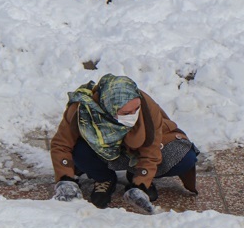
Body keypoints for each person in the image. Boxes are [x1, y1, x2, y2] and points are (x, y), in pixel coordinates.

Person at [50, 74, 199, 214]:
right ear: (109, 108)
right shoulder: (81, 110)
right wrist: (65, 181)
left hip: (136, 150)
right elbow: (61, 145)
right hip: (101, 151)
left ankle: (134, 174)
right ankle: (104, 178)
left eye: (136, 109)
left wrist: (141, 183)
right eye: (126, 113)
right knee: (79, 150)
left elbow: (151, 149)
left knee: (185, 159)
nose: (133, 115)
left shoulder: (146, 106)